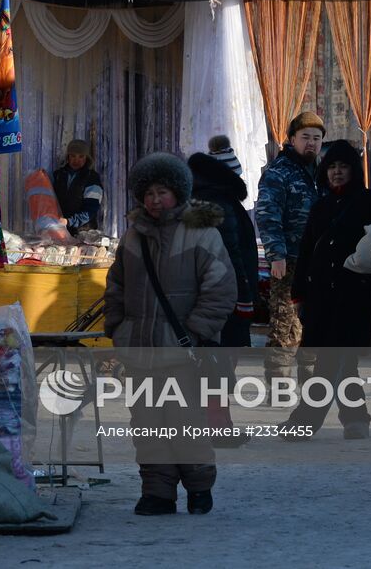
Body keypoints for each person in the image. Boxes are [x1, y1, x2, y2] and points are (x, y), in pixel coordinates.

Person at [104, 152, 236, 516]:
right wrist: (118, 327)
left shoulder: (201, 233)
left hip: (182, 351)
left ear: (178, 192)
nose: (154, 199)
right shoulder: (133, 235)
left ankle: (198, 488)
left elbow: (221, 288)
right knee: (147, 424)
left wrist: (194, 331)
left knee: (185, 421)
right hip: (140, 349)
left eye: (162, 191)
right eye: (148, 193)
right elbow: (116, 284)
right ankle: (157, 492)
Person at [286, 140, 371, 438]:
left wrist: (367, 272)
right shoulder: (321, 207)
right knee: (343, 361)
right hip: (321, 299)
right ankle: (356, 419)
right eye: (332, 167)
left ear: (353, 170)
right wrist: (298, 294)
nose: (336, 172)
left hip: (353, 297)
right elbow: (307, 251)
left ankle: (305, 422)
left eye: (343, 166)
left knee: (331, 360)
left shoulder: (370, 201)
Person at [255, 111, 324, 381]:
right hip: (289, 261)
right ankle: (279, 384)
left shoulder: (321, 173)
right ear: (292, 138)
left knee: (314, 324)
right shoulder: (279, 172)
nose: (311, 143)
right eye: (305, 137)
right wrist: (276, 255)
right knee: (285, 325)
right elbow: (267, 213)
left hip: (318, 262)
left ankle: (312, 385)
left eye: (316, 138)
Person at [188, 146, 258, 344]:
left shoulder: (199, 200)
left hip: (210, 298)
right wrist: (244, 296)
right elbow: (231, 253)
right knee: (221, 360)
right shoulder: (219, 203)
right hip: (225, 299)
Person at [53, 139, 103, 236]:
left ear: (86, 158)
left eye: (81, 156)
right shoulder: (58, 175)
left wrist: (69, 221)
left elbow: (90, 209)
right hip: (60, 231)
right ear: (68, 157)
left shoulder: (92, 178)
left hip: (84, 233)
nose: (76, 160)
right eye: (73, 156)